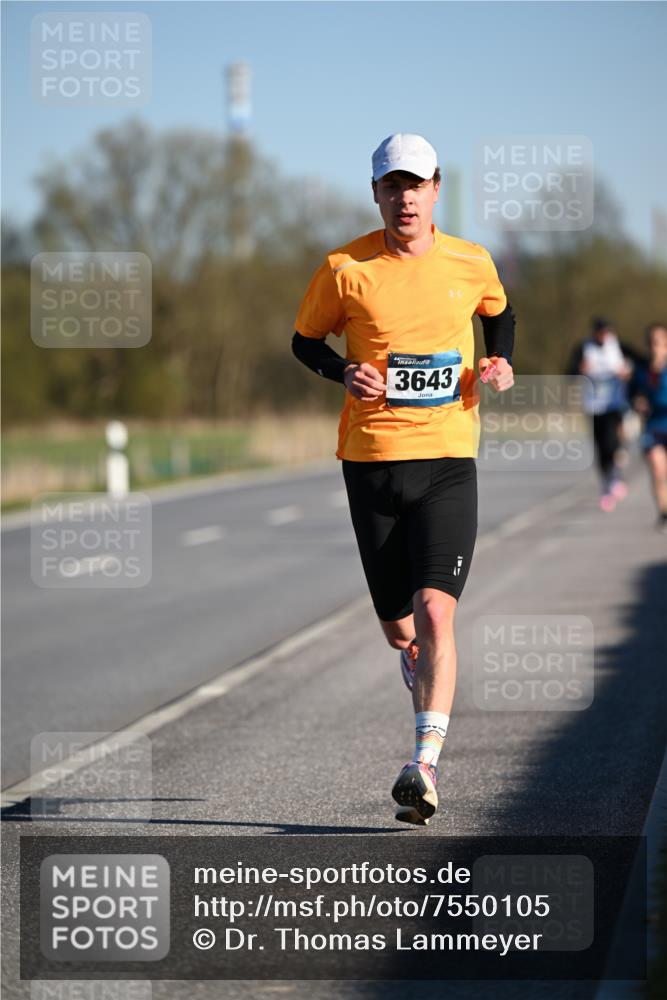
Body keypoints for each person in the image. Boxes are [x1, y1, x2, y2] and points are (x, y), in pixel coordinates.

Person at [292, 133, 515, 825]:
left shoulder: (469, 261)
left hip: (448, 458)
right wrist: (341, 371)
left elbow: (499, 314)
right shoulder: (344, 268)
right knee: (400, 629)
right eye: (392, 185)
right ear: (375, 194)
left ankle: (422, 764)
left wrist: (499, 362)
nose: (404, 196)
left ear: (436, 189)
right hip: (370, 464)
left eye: (415, 184)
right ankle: (413, 661)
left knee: (436, 609)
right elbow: (304, 341)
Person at [573, 317, 632, 512]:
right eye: (601, 332)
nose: (604, 336)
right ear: (594, 332)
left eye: (607, 332)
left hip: (614, 403)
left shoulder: (618, 346)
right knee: (601, 447)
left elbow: (639, 363)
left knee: (613, 442)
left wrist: (627, 371)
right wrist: (580, 370)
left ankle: (616, 473)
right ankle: (608, 484)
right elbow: (569, 372)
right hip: (593, 405)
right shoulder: (583, 348)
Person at [630, 323, 667, 532]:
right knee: (658, 470)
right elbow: (632, 393)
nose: (656, 348)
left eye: (660, 343)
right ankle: (664, 513)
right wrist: (637, 401)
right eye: (653, 343)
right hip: (653, 425)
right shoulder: (642, 371)